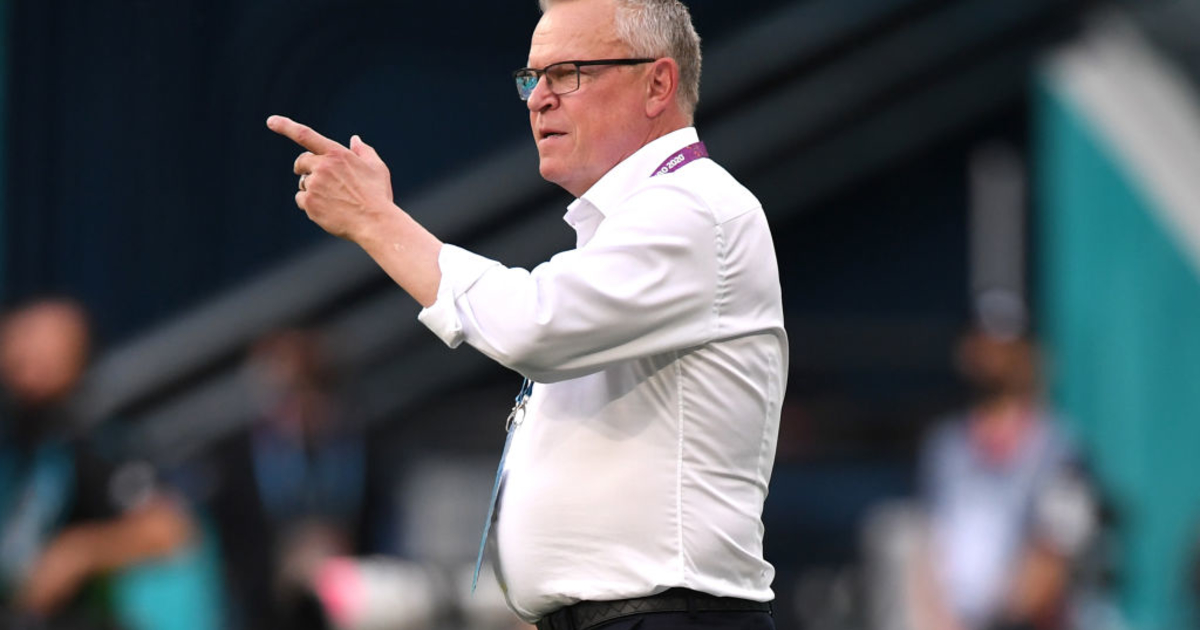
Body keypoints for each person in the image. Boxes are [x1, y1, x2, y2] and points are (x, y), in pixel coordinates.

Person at [267, 1, 787, 629]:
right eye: (532, 77)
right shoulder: (641, 220)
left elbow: (532, 326)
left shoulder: (695, 208)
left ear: (658, 84)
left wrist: (376, 220)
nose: (539, 98)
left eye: (568, 73)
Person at [0, 298, 195, 628]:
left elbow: (170, 529)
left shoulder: (93, 438)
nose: (24, 352)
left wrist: (79, 552)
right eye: (18, 337)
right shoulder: (13, 429)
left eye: (42, 342)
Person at [910, 326, 1097, 630]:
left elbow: (1056, 556)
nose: (991, 357)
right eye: (983, 341)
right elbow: (927, 551)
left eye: (1004, 346)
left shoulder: (1061, 451)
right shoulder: (944, 447)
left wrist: (1000, 617)